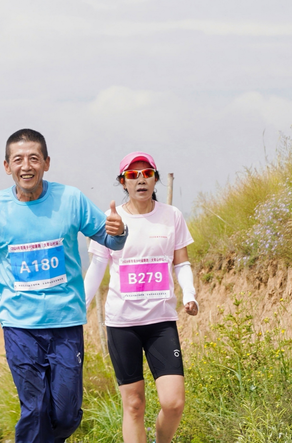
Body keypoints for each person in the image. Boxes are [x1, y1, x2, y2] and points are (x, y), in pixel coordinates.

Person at [0, 128, 127, 443]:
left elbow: (110, 239)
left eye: (34, 158)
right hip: (19, 325)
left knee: (65, 413)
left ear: (47, 162)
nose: (26, 166)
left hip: (66, 324)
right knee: (34, 408)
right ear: (7, 167)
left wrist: (119, 232)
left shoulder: (71, 199)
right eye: (18, 159)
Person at [84, 151, 198, 443]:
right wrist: (80, 308)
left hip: (161, 322)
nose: (141, 180)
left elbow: (181, 263)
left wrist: (190, 294)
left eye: (147, 173)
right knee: (134, 404)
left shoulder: (171, 216)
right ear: (123, 183)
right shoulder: (112, 220)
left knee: (173, 403)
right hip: (122, 324)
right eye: (133, 176)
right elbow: (98, 267)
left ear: (156, 179)